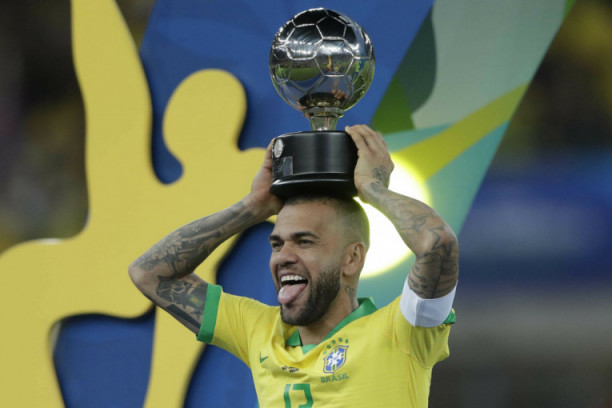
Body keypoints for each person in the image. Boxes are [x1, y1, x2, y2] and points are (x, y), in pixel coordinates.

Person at [129, 124, 459, 407]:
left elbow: (438, 244)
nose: (283, 256)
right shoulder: (259, 331)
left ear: (352, 258)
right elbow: (149, 273)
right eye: (277, 243)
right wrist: (253, 207)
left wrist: (373, 189)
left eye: (304, 242)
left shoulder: (404, 330)